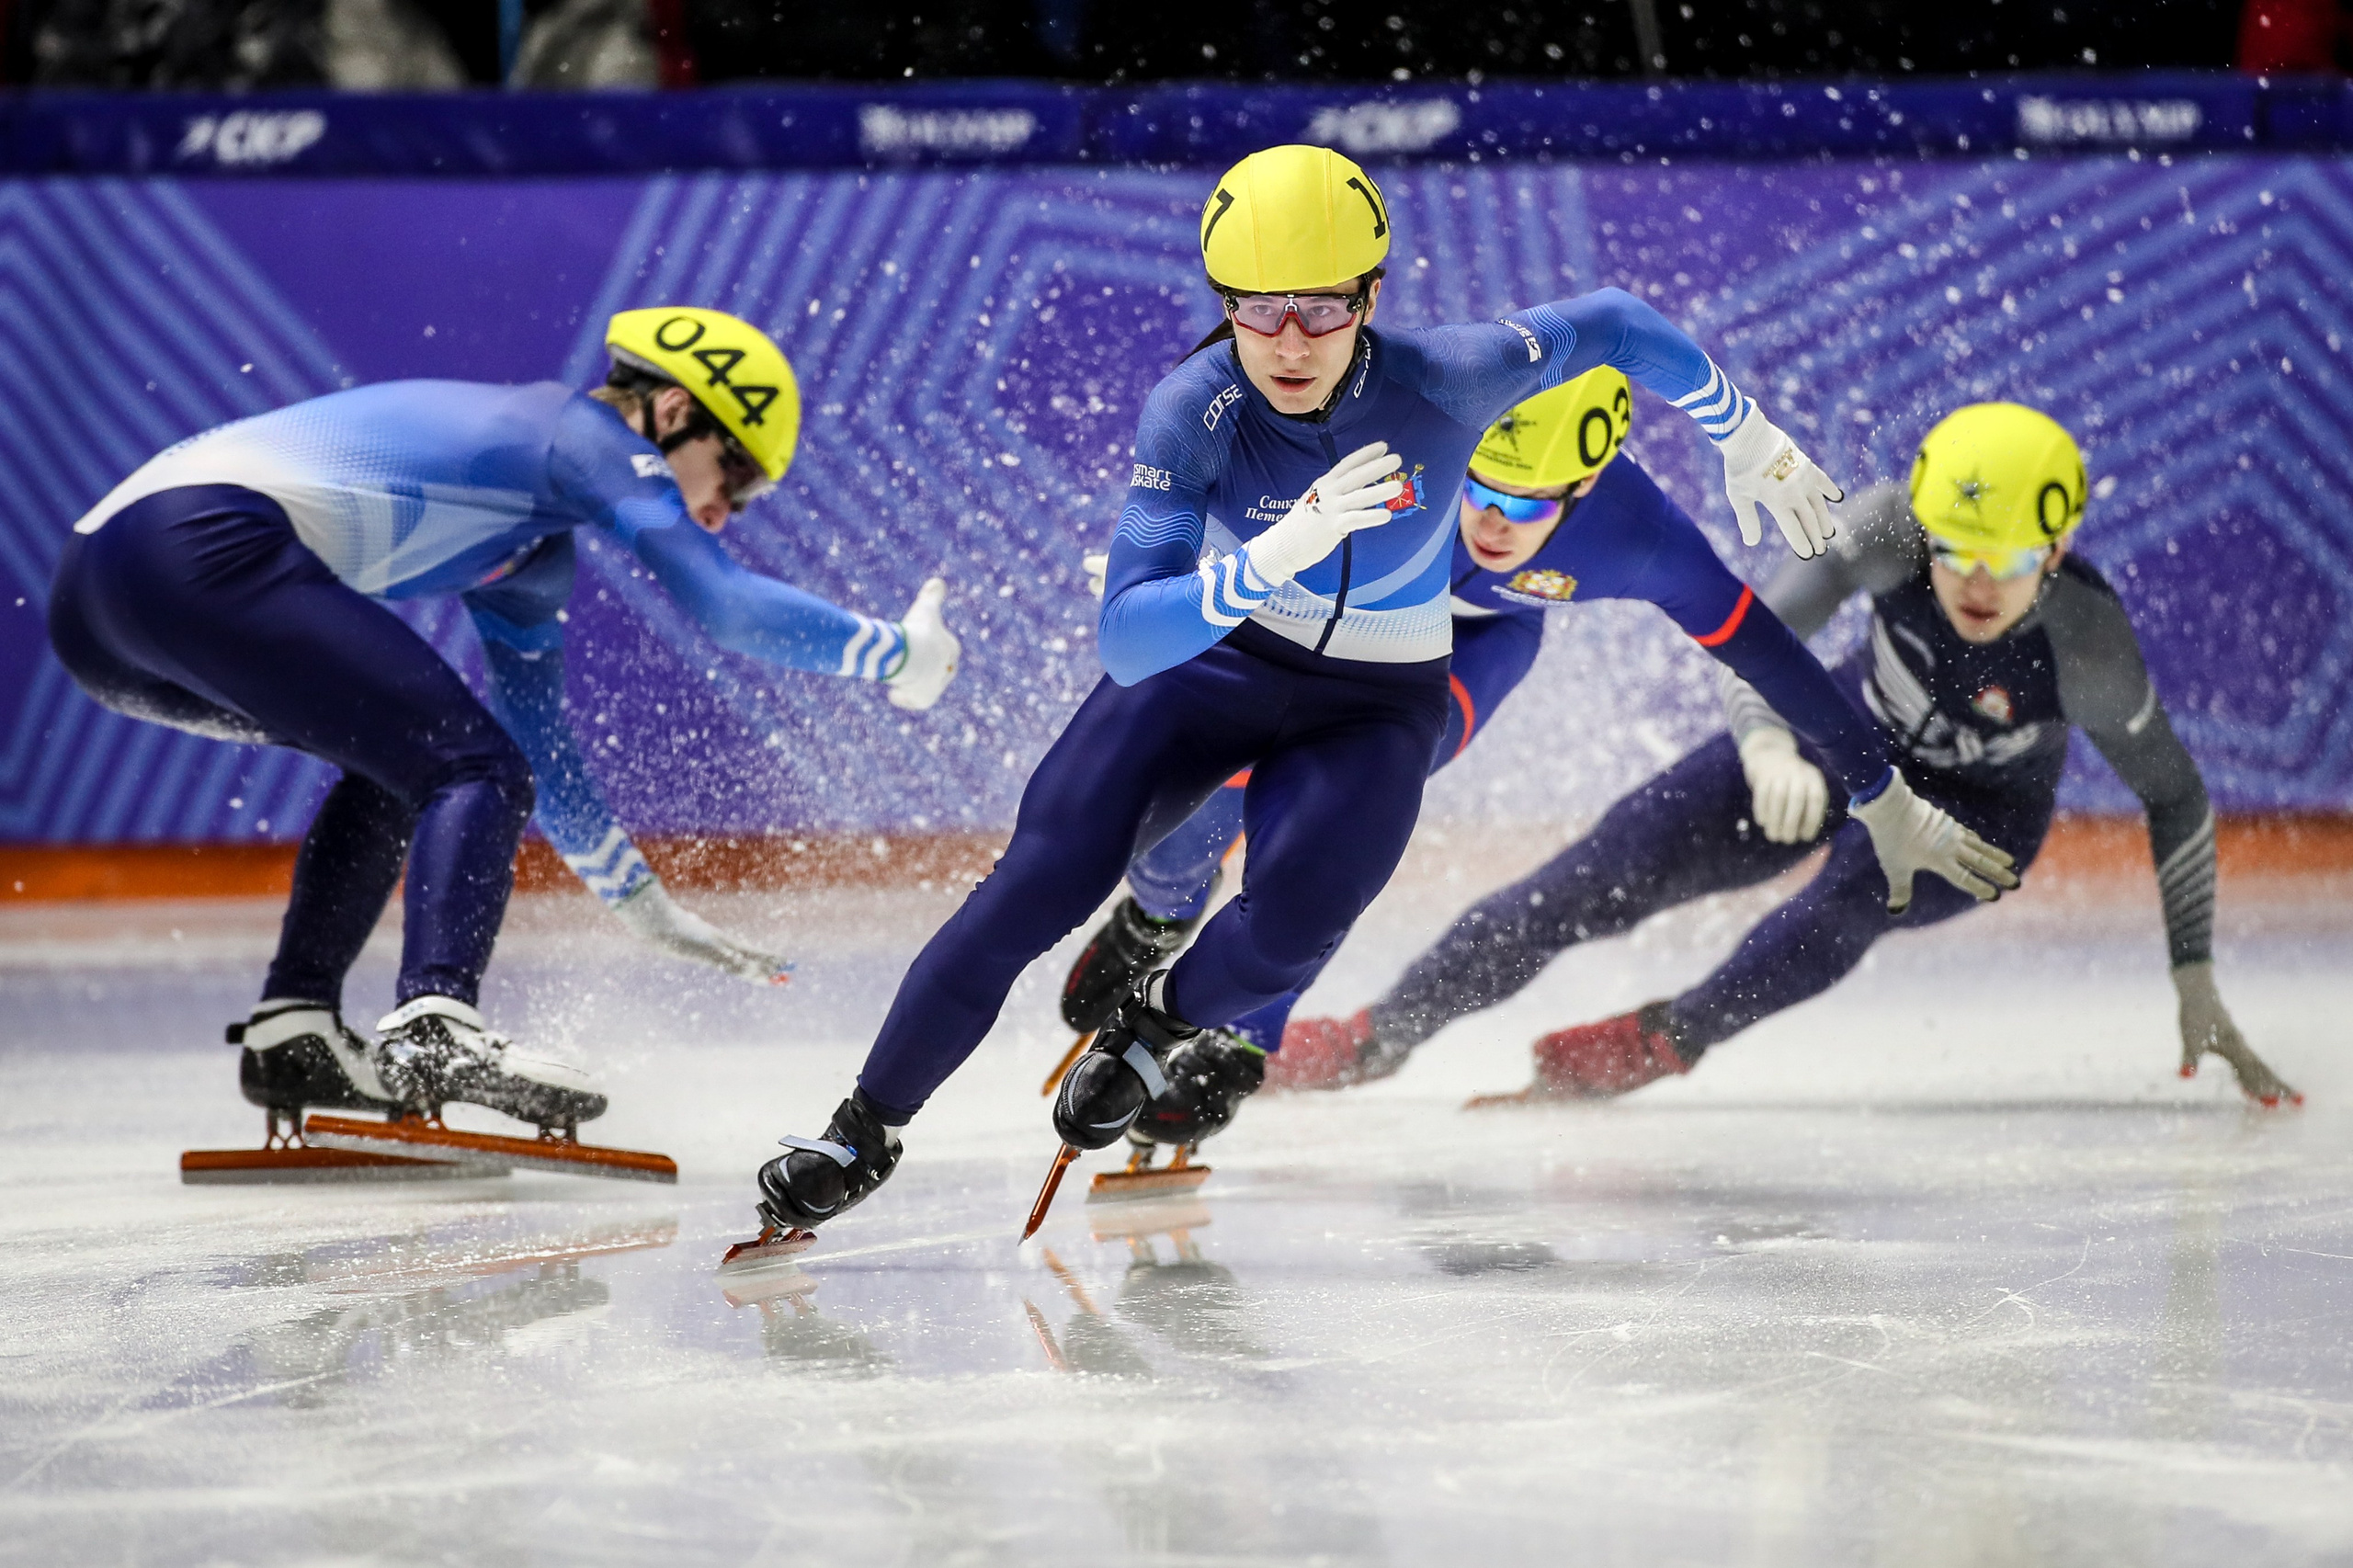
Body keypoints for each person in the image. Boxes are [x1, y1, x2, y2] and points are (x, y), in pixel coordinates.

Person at [749, 142, 2003, 1236]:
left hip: (1395, 690)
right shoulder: (1196, 407)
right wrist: (1265, 559)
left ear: (1372, 298)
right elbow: (1131, 643)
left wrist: (1746, 435)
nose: (1288, 340)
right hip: (1228, 657)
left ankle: (1170, 1022)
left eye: (1319, 310)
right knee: (1043, 880)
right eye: (1258, 311)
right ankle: (871, 1122)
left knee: (1300, 904)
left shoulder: (1493, 416)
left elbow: (1627, 335)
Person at [47, 307, 961, 1139]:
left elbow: (542, 753)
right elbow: (726, 607)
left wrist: (641, 903)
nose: (724, 511)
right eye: (736, 474)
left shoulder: (531, 552)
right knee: (467, 767)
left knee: (413, 761)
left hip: (98, 611)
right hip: (195, 540)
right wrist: (895, 654)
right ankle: (436, 1021)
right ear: (675, 409)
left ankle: (296, 1028)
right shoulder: (582, 434)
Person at [1052, 368, 2018, 1153]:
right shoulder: (1400, 438)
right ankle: (1164, 918)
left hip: (1482, 649)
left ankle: (1243, 1037)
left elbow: (1759, 646)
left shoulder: (1640, 537)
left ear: (1587, 489)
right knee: (1224, 791)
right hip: (1349, 615)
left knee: (1329, 826)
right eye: (1477, 483)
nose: (1492, 518)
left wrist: (1875, 791)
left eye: (1526, 501)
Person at [1275, 403, 2301, 1108]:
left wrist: (2195, 976)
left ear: (2060, 550)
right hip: (1830, 737)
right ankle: (1374, 1034)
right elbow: (1745, 630)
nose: (1978, 587)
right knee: (1590, 878)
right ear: (1921, 529)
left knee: (1844, 903)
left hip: (1974, 820)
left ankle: (1664, 1037)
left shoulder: (2087, 649)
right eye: (1954, 552)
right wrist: (1765, 738)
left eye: (2012, 563)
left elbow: (2176, 796)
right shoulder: (1879, 530)